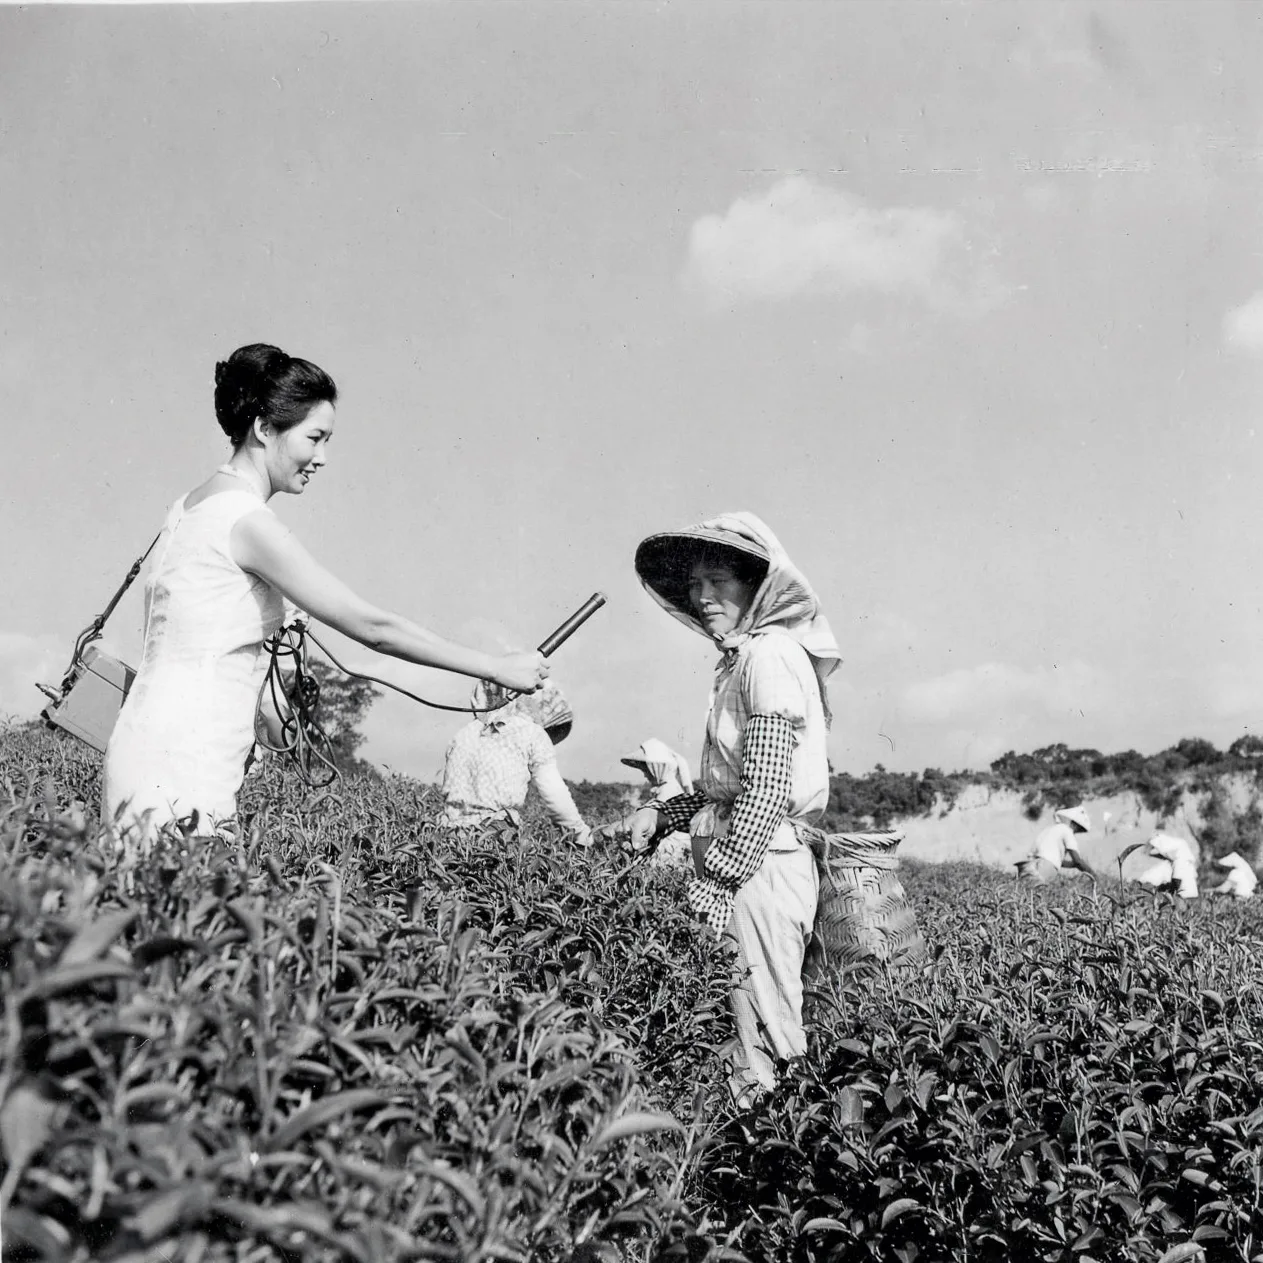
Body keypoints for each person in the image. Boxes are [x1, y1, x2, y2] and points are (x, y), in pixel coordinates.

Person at [101, 343, 547, 844]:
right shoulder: (249, 525)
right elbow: (373, 630)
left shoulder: (185, 509)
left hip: (139, 744)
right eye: (314, 438)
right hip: (188, 762)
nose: (322, 457)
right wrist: (495, 668)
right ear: (264, 429)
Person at [629, 512, 840, 1106]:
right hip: (747, 858)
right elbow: (732, 784)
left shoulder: (768, 655)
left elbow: (769, 784)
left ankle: (776, 1153)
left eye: (718, 581)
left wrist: (721, 877)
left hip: (757, 866)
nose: (702, 596)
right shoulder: (742, 658)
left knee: (765, 1024)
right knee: (739, 1015)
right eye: (696, 585)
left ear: (756, 587)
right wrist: (666, 815)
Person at [439, 678, 593, 846]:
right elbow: (554, 792)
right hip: (496, 832)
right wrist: (579, 831)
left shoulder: (462, 735)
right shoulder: (531, 732)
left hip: (448, 833)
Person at [601, 738, 694, 866]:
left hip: (669, 853)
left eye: (646, 770)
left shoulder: (669, 790)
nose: (645, 775)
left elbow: (652, 815)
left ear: (657, 769)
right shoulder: (667, 787)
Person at [1015, 806, 1096, 884]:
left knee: (1025, 891)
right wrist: (1094, 876)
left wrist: (1073, 865)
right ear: (1074, 824)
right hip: (1045, 867)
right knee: (1038, 891)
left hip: (1028, 865)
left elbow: (1053, 859)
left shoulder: (1051, 829)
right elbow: (1077, 860)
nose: (1077, 832)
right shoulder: (1067, 831)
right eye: (1078, 829)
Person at [1137, 832, 1199, 898]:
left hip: (1184, 896)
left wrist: (1170, 893)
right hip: (1188, 895)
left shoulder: (1180, 860)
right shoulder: (1181, 851)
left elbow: (1177, 880)